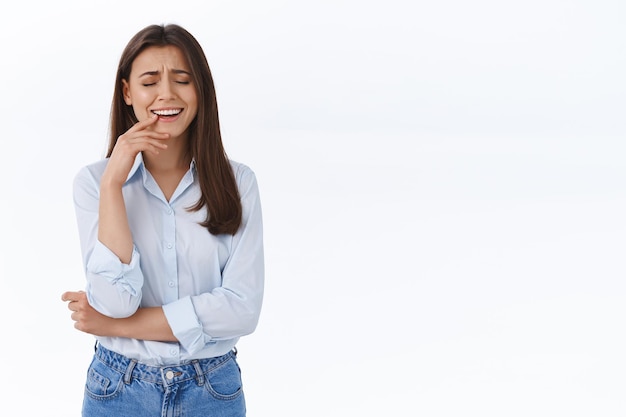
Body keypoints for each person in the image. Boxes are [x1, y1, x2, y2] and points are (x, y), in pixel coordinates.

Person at [61, 23, 264, 417]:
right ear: (127, 93)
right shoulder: (94, 183)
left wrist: (115, 327)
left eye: (182, 80)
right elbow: (115, 301)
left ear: (200, 91)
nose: (167, 94)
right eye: (150, 81)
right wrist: (113, 185)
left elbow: (241, 310)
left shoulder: (239, 183)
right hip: (118, 388)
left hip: (213, 388)